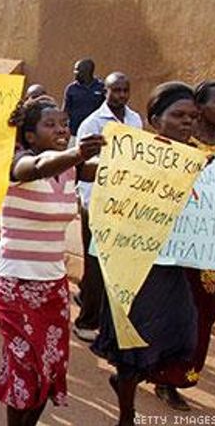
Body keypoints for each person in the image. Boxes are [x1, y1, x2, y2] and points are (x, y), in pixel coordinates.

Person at [91, 82, 201, 426]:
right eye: (179, 115)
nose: (187, 123)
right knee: (132, 349)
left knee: (182, 334)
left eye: (193, 117)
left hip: (171, 268)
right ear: (155, 119)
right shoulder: (132, 155)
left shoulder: (203, 162)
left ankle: (129, 383)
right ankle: (127, 414)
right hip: (134, 270)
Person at [0, 96, 105, 426]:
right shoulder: (16, 163)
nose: (61, 129)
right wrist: (78, 151)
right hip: (15, 285)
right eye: (50, 124)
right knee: (24, 366)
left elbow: (109, 171)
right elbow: (38, 168)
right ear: (29, 135)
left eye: (64, 124)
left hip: (54, 286)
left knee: (50, 363)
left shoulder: (71, 167)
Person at [152, 80, 215, 410]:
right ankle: (162, 375)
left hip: (212, 247)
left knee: (205, 313)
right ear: (200, 106)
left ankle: (181, 375)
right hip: (176, 245)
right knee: (175, 313)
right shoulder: (178, 143)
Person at [72, 72, 144, 343]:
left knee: (113, 265)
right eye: (117, 91)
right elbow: (82, 165)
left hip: (123, 203)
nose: (122, 96)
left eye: (126, 90)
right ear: (106, 92)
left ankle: (95, 306)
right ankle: (86, 320)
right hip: (97, 204)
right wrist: (89, 205)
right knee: (94, 263)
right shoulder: (93, 123)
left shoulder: (135, 120)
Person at [62, 58, 106, 136]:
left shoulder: (101, 87)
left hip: (96, 133)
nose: (75, 72)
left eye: (77, 70)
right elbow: (65, 111)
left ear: (87, 71)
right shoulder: (71, 89)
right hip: (75, 133)